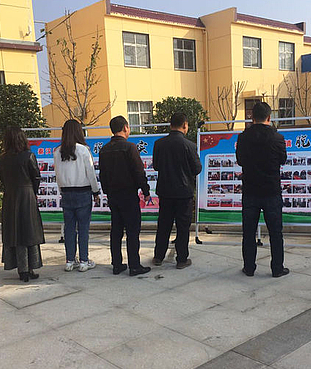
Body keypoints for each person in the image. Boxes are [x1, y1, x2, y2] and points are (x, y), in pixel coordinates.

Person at [236, 102, 289, 277]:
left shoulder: (243, 137)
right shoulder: (277, 138)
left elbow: (240, 160)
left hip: (250, 190)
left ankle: (249, 267)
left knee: (248, 232)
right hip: (271, 190)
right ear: (269, 117)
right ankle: (277, 268)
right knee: (275, 232)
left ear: (252, 117)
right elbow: (282, 159)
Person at [99, 116, 151, 276]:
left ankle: (117, 264)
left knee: (116, 231)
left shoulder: (104, 150)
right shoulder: (130, 148)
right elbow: (138, 171)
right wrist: (146, 191)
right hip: (128, 195)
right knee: (132, 231)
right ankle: (134, 265)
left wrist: (107, 191)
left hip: (113, 196)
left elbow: (102, 175)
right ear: (125, 128)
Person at [152, 112, 202, 269]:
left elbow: (156, 166)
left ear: (170, 125)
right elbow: (197, 168)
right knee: (183, 226)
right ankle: (181, 259)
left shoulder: (159, 144)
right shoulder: (190, 146)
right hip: (184, 192)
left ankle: (158, 256)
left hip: (165, 191)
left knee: (163, 225)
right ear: (185, 125)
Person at [0, 127, 44, 282]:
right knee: (29, 231)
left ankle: (21, 268)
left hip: (10, 196)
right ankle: (29, 267)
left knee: (15, 231)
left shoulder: (2, 159)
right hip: (27, 194)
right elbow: (36, 176)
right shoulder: (28, 156)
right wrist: (33, 191)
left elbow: (2, 179)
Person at [54, 119, 100, 272]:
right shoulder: (83, 150)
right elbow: (90, 173)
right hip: (83, 192)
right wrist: (95, 191)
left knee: (69, 228)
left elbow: (57, 175)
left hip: (66, 193)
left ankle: (69, 261)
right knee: (83, 228)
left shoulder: (57, 151)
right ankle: (84, 261)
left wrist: (61, 190)